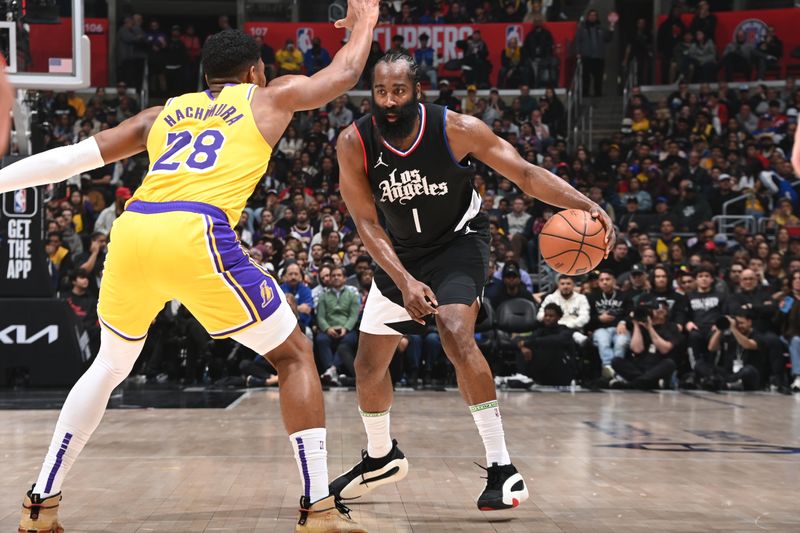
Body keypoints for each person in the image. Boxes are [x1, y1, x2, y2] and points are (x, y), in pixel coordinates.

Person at [6, 2, 380, 530]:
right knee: (295, 356)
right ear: (254, 71)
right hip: (196, 231)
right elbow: (343, 73)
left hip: (132, 230)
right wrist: (365, 20)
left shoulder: (164, 112)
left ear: (206, 75)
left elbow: (72, 158)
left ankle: (41, 503)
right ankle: (317, 506)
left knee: (110, 367)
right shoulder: (267, 97)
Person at [330, 50, 614, 510]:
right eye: (380, 92)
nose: (388, 101)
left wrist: (582, 204)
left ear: (417, 91)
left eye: (398, 91)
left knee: (456, 330)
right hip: (400, 255)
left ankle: (503, 468)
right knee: (366, 367)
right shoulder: (353, 142)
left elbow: (523, 172)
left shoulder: (456, 129)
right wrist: (403, 280)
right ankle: (381, 456)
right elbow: (366, 223)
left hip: (458, 244)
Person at [611, 297, 680, 390]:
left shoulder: (671, 327)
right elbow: (637, 349)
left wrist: (650, 328)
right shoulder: (641, 325)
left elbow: (664, 349)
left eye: (663, 307)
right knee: (616, 361)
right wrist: (635, 323)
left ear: (667, 311)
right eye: (657, 307)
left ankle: (633, 384)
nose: (659, 310)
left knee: (670, 363)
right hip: (639, 366)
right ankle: (649, 382)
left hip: (657, 366)